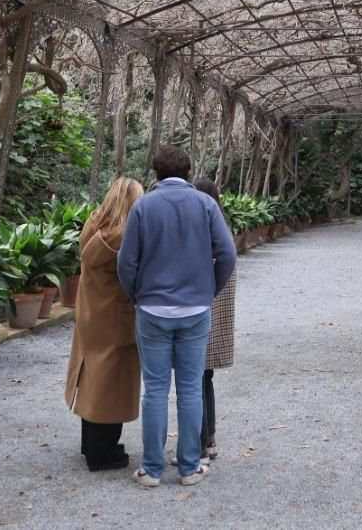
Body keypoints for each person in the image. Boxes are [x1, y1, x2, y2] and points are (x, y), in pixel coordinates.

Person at [118, 145, 236, 488]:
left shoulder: (143, 206)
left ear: (155, 174)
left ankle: (152, 469)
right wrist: (208, 291)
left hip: (152, 309)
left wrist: (138, 295)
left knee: (154, 389)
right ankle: (188, 468)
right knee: (189, 388)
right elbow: (227, 254)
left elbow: (126, 262)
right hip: (195, 310)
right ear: (188, 173)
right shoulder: (206, 205)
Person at [63, 177, 144, 471]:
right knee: (112, 384)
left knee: (92, 379)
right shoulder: (122, 238)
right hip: (114, 316)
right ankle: (102, 452)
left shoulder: (93, 226)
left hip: (90, 313)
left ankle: (91, 445)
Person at [192, 177, 235, 463]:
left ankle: (199, 448)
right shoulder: (221, 227)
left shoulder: (204, 230)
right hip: (217, 315)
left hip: (202, 313)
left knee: (194, 379)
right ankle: (210, 439)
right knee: (204, 378)